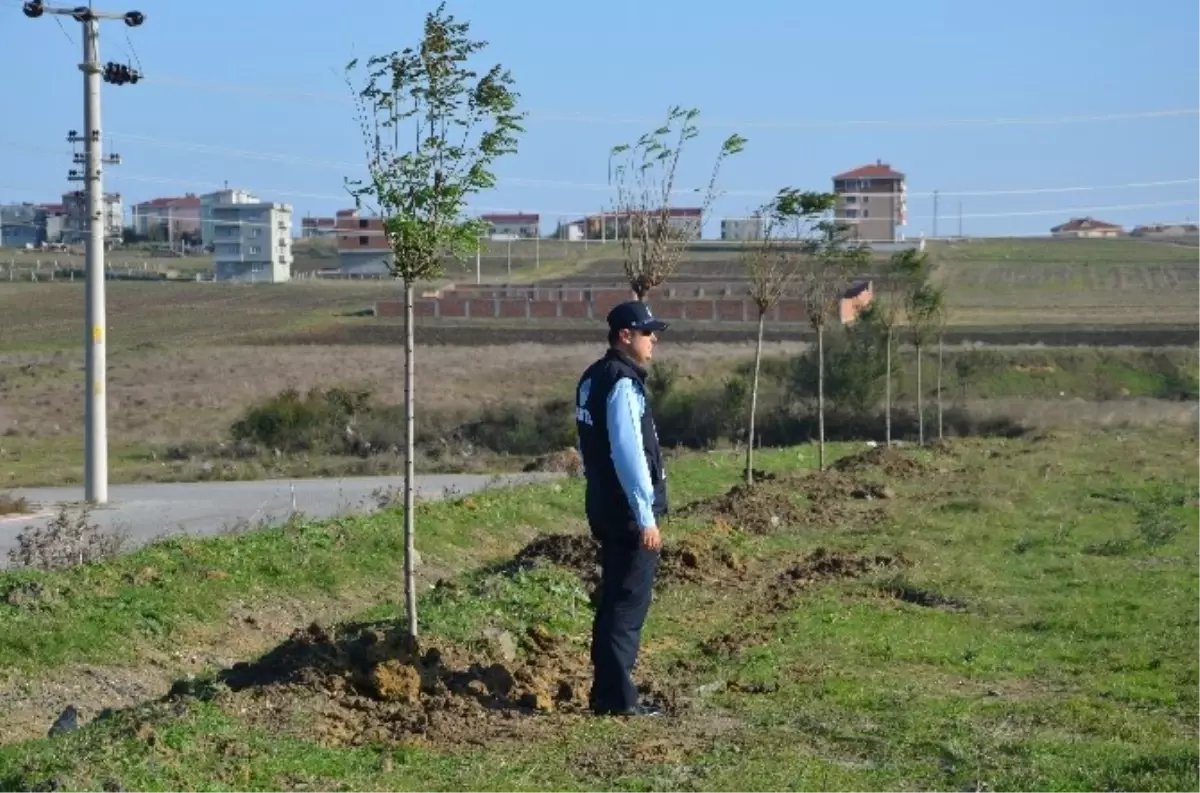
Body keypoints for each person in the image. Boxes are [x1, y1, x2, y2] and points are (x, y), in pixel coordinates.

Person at [574, 299, 670, 717]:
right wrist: (646, 516)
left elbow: (590, 446)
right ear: (624, 335)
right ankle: (616, 699)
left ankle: (607, 692)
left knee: (614, 600)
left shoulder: (592, 378)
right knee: (627, 606)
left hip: (603, 506)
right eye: (648, 333)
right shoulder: (622, 384)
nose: (654, 340)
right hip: (628, 513)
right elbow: (629, 453)